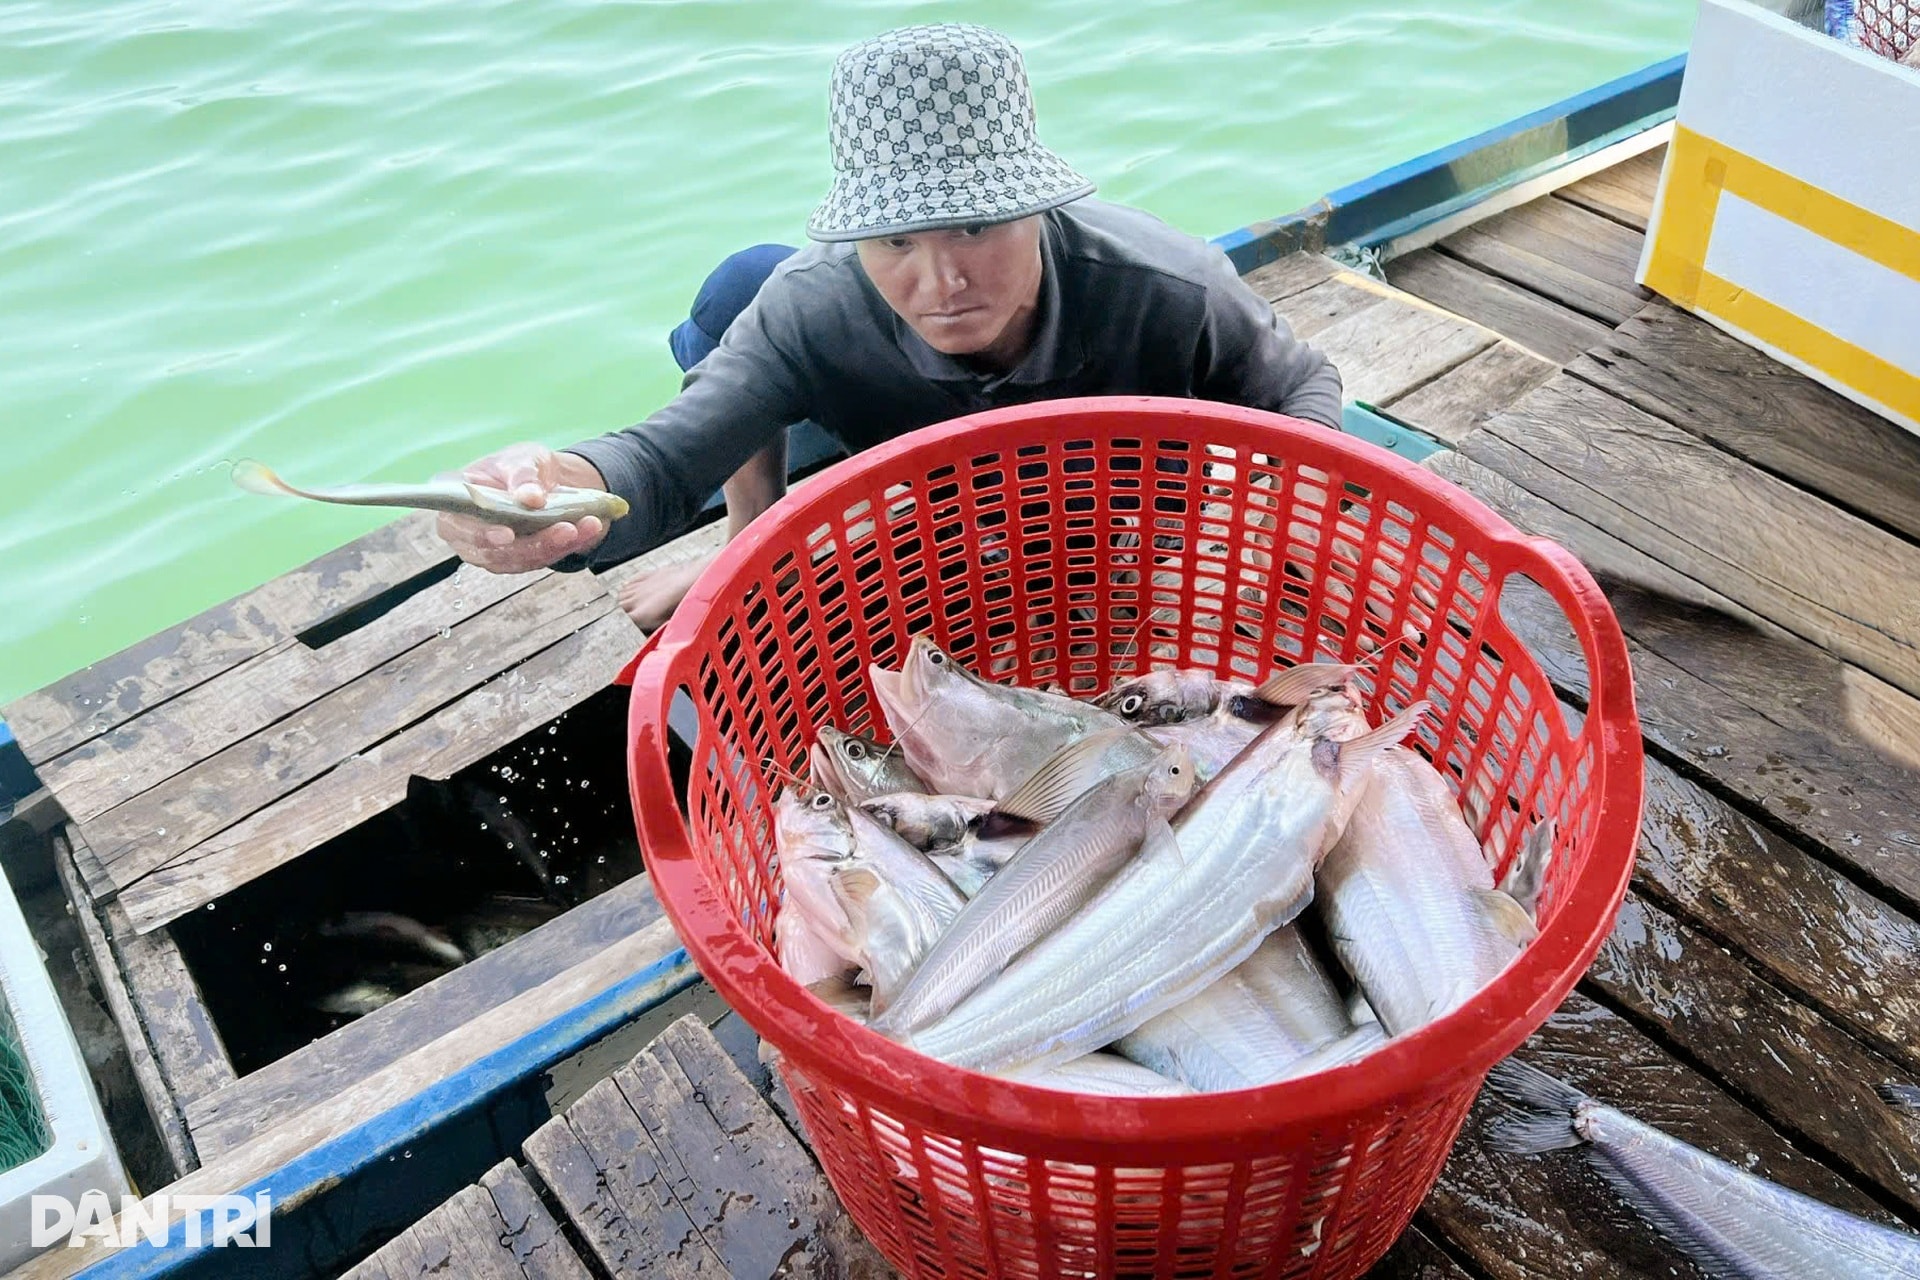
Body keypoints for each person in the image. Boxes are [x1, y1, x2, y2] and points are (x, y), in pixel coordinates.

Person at [438, 23, 1342, 628]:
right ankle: (749, 550)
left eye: (977, 226)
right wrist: (563, 492)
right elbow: (667, 461)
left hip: (1132, 507)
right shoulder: (814, 303)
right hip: (944, 491)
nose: (941, 281)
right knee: (737, 291)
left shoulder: (1166, 284)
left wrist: (1270, 519)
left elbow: (1301, 384)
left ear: (1037, 207)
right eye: (895, 239)